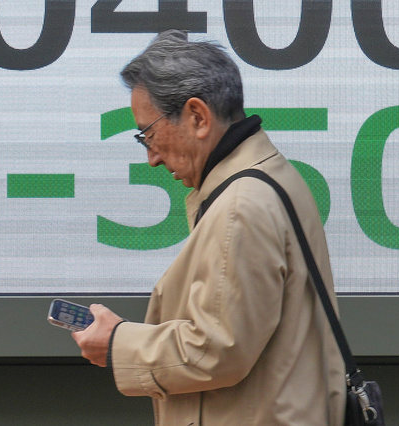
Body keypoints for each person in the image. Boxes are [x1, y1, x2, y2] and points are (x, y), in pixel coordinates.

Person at [73, 30, 346, 425]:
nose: (151, 157)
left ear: (198, 117)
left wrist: (117, 343)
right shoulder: (269, 176)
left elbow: (215, 351)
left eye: (148, 134)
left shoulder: (240, 207)